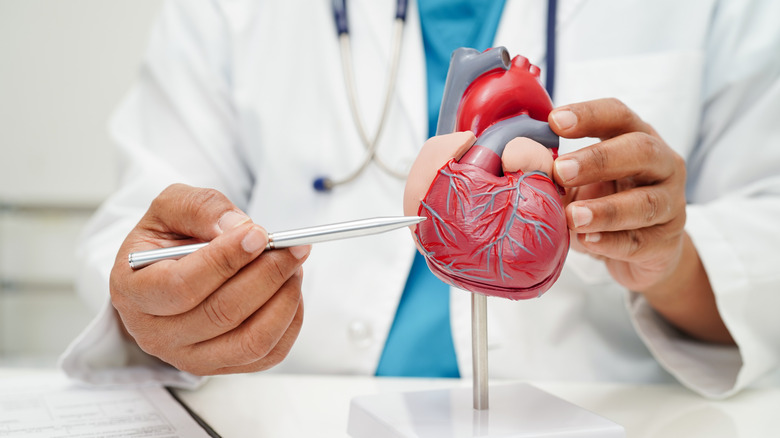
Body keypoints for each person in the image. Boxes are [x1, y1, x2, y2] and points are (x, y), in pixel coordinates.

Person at [60, 0, 780, 399]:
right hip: (290, 412)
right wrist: (167, 302)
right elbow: (144, 233)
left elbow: (766, 221)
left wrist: (675, 260)